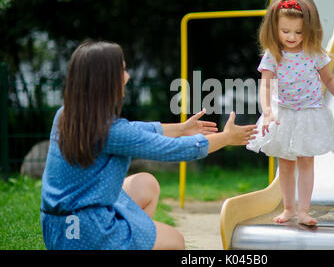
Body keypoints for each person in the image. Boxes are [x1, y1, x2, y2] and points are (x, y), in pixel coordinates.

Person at [40, 40, 257, 250]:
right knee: (175, 242)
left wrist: (180, 128)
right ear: (107, 80)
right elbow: (175, 149)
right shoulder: (110, 131)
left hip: (58, 229)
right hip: (85, 233)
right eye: (123, 70)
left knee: (145, 184)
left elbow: (134, 130)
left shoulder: (66, 115)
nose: (128, 76)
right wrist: (227, 138)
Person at [246, 0, 334, 226]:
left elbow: (329, 79)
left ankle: (304, 211)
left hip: (309, 113)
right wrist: (267, 112)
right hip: (283, 114)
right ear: (274, 29)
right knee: (286, 163)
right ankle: (288, 209)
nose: (292, 37)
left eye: (298, 32)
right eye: (285, 31)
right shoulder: (273, 55)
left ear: (308, 30)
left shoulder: (313, 53)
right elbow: (265, 86)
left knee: (306, 161)